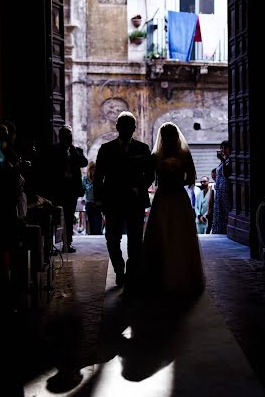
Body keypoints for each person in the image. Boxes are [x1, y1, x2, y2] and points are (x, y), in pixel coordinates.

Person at [142, 122, 205, 295]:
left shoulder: (158, 155)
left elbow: (191, 177)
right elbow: (190, 178)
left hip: (169, 196)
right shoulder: (174, 155)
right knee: (170, 233)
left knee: (173, 233)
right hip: (171, 197)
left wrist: (170, 183)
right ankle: (174, 275)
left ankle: (165, 276)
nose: (169, 138)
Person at [94, 111, 154, 290]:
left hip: (135, 201)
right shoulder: (106, 149)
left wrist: (140, 187)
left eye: (130, 126)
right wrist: (98, 199)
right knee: (112, 238)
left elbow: (150, 174)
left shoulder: (142, 149)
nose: (127, 129)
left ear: (134, 129)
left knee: (135, 239)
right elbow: (98, 176)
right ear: (117, 127)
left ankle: (131, 272)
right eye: (123, 126)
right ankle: (119, 269)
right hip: (112, 201)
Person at [45, 125, 88, 253]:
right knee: (54, 218)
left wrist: (73, 151)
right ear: (60, 136)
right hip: (58, 190)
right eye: (66, 135)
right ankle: (50, 244)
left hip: (71, 191)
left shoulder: (76, 150)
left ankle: (67, 243)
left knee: (69, 218)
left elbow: (84, 163)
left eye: (70, 135)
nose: (68, 138)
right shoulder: (54, 150)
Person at [212, 140, 231, 234]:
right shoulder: (224, 160)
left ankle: (226, 231)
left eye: (224, 148)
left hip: (225, 190)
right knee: (219, 210)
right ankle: (218, 230)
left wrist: (223, 160)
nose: (222, 150)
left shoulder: (230, 160)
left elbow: (225, 174)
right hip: (220, 189)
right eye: (221, 148)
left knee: (225, 211)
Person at [82, 161, 104, 235]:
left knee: (98, 221)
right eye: (92, 169)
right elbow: (83, 190)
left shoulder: (100, 179)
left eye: (95, 169)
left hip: (98, 203)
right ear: (89, 170)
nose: (94, 171)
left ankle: (98, 234)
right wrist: (83, 199)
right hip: (89, 203)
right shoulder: (85, 179)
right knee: (91, 222)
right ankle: (92, 236)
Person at [206, 167, 216, 234]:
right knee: (209, 224)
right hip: (213, 207)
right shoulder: (212, 185)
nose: (213, 178)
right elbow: (209, 200)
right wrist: (208, 211)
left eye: (214, 176)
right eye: (212, 176)